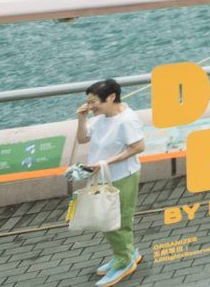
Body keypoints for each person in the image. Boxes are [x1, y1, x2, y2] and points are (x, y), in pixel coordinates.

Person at [76, 78, 145, 287]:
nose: (90, 106)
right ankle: (127, 253)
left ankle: (125, 261)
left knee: (116, 221)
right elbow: (82, 139)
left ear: (112, 97)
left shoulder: (126, 120)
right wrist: (81, 118)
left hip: (123, 176)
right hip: (104, 176)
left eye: (94, 101)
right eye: (88, 102)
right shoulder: (100, 118)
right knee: (108, 219)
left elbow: (138, 147)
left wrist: (105, 162)